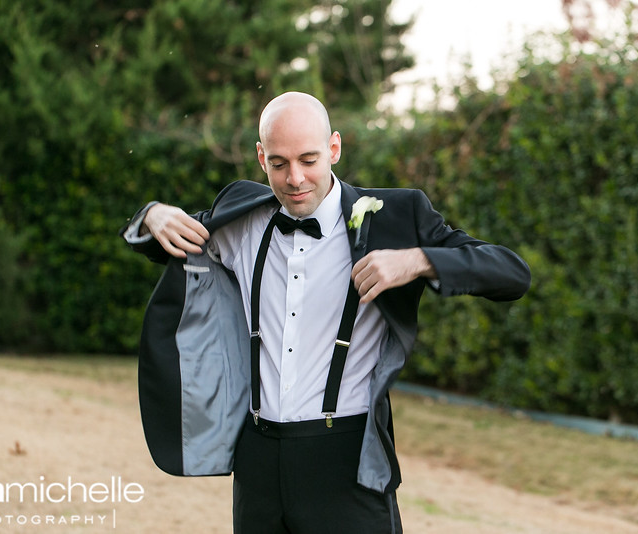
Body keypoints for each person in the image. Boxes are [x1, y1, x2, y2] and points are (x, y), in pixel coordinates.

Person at [120, 91, 531, 534]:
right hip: (257, 459)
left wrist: (417, 260)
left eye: (309, 159)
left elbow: (511, 274)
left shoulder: (397, 215)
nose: (295, 178)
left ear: (334, 148)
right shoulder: (240, 219)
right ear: (261, 158)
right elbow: (166, 240)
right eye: (278, 163)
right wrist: (152, 215)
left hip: (346, 460)